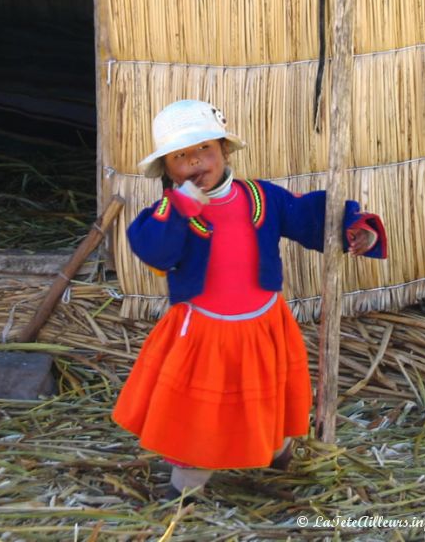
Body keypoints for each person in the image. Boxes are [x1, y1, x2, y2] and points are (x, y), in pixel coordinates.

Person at [112, 99, 387, 501]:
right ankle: (186, 489)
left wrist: (352, 226)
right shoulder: (166, 213)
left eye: (204, 149)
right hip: (204, 332)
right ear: (167, 170)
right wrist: (182, 210)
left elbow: (309, 215)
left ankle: (275, 450)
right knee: (199, 410)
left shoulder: (262, 198)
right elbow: (156, 251)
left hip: (262, 324)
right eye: (180, 156)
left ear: (224, 150)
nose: (195, 161)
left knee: (266, 397)